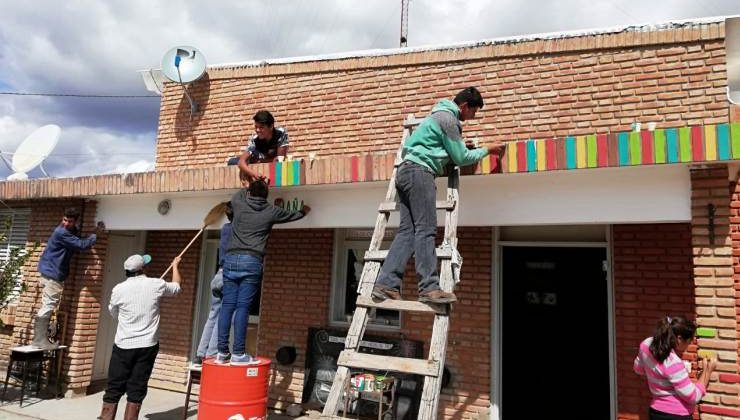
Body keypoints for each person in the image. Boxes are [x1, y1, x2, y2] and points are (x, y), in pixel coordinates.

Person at [372, 87, 504, 304]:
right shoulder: (449, 120)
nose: (472, 118)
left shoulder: (437, 116)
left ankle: (386, 284)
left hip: (405, 172)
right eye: (473, 112)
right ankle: (429, 288)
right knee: (426, 230)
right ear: (464, 106)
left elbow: (443, 148)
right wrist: (487, 149)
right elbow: (461, 158)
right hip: (420, 173)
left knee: (408, 231)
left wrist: (461, 146)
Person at [217, 179, 309, 365]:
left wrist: (253, 180)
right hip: (251, 261)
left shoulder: (239, 203)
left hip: (231, 260)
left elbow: (242, 191)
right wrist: (304, 211)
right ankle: (238, 354)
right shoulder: (270, 211)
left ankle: (221, 352)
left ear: (250, 193)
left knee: (227, 306)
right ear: (266, 196)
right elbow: (293, 215)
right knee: (242, 307)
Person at [98, 254, 182, 420]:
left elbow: (113, 313)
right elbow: (177, 287)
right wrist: (175, 265)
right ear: (143, 268)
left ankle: (105, 417)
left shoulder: (118, 289)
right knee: (137, 386)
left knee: (114, 386)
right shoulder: (156, 284)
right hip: (147, 346)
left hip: (123, 344)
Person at [33, 207, 105, 349]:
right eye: (65, 220)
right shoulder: (61, 232)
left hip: (51, 271)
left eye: (70, 221)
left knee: (48, 303)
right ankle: (39, 340)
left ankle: (39, 340)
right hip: (53, 273)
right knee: (49, 304)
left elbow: (75, 237)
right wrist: (95, 235)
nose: (66, 223)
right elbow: (81, 245)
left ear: (74, 221)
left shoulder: (69, 231)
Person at [634, 315, 716, 420]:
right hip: (677, 415)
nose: (688, 346)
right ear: (679, 338)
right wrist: (707, 371)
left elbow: (638, 369)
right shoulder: (673, 363)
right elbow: (693, 397)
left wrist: (658, 373)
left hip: (656, 413)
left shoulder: (646, 344)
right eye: (689, 342)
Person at [193, 203, 234, 365]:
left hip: (218, 275)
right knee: (224, 315)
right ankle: (211, 353)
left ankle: (200, 353)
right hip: (229, 276)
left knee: (213, 315)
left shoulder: (225, 228)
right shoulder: (238, 230)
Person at [237, 110, 289, 184]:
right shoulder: (254, 139)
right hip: (250, 162)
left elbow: (280, 160)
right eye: (256, 127)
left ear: (271, 126)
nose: (257, 130)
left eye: (261, 127)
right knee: (232, 162)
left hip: (259, 161)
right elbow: (241, 162)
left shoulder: (281, 133)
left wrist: (260, 161)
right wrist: (254, 174)